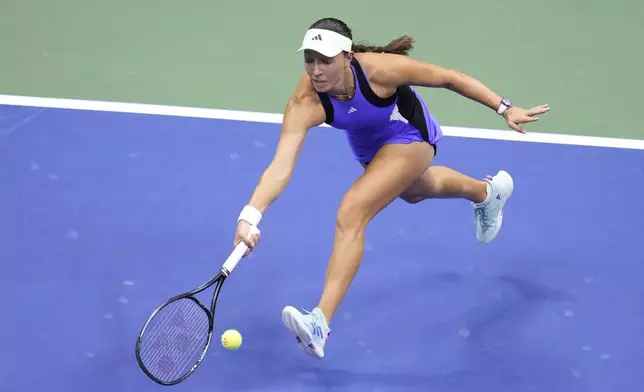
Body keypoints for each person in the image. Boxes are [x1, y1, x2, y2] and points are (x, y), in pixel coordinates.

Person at [232, 17, 550, 359]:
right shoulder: (305, 103)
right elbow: (282, 165)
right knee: (414, 190)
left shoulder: (380, 71)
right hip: (370, 147)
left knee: (352, 211)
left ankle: (319, 322)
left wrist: (504, 108)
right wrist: (250, 216)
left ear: (347, 57)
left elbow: (448, 78)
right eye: (310, 59)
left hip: (409, 135)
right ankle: (488, 194)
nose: (316, 70)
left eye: (326, 60)